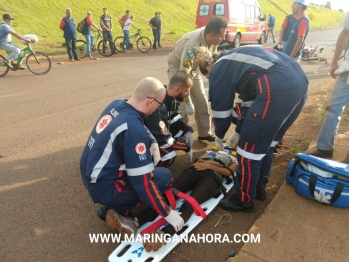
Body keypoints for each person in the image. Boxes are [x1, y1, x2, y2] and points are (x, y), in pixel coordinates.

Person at [196, 45, 309, 212]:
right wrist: (237, 132)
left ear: (208, 68)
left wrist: (219, 139)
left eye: (208, 77)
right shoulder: (240, 61)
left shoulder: (218, 68)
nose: (211, 79)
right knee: (267, 144)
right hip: (299, 84)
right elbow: (248, 107)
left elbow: (221, 111)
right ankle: (259, 187)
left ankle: (243, 200)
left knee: (248, 152)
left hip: (278, 87)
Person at [80, 77, 184, 236]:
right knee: (163, 177)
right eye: (159, 104)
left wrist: (152, 141)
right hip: (105, 187)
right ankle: (120, 210)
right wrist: (168, 213)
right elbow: (144, 183)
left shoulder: (117, 104)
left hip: (90, 174)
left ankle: (112, 203)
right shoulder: (134, 132)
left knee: (143, 167)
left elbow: (138, 123)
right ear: (150, 102)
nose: (158, 109)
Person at [107, 150, 238, 252]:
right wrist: (208, 162)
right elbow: (198, 160)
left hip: (212, 177)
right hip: (195, 170)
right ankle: (135, 222)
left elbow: (228, 171)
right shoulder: (212, 152)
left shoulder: (236, 160)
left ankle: (163, 234)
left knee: (190, 203)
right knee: (168, 195)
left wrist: (209, 165)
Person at [167, 16, 228, 142]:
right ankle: (181, 134)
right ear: (211, 34)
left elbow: (207, 59)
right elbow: (183, 77)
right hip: (178, 68)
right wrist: (188, 101)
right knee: (182, 104)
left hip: (192, 67)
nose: (223, 39)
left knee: (201, 100)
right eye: (221, 36)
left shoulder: (211, 40)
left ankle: (205, 132)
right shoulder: (192, 46)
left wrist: (209, 73)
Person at [306, 11, 349, 164]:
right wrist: (334, 61)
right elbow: (345, 32)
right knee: (333, 107)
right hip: (347, 69)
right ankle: (325, 148)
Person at [144, 71, 194, 167]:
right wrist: (184, 146)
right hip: (143, 136)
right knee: (169, 156)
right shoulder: (159, 108)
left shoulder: (169, 95)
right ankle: (147, 166)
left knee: (180, 130)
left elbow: (175, 118)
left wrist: (188, 130)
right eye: (187, 90)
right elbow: (164, 139)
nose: (188, 94)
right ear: (178, 89)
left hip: (152, 129)